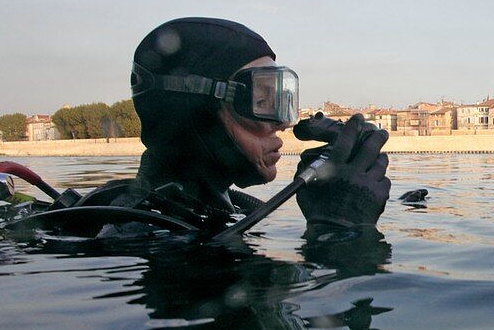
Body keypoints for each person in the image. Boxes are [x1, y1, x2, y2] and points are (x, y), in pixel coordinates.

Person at [78, 17, 391, 237]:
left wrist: (341, 197)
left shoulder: (221, 208)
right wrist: (336, 229)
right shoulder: (141, 233)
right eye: (262, 100)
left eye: (283, 100)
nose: (282, 123)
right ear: (197, 109)